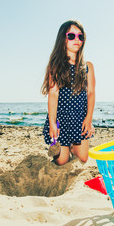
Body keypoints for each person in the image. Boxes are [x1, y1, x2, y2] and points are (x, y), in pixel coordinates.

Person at [41, 20, 96, 166]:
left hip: (80, 118)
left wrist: (89, 119)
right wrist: (53, 123)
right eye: (71, 36)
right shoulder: (56, 65)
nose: (76, 40)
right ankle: (62, 148)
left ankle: (73, 146)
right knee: (61, 161)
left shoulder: (88, 66)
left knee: (83, 158)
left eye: (80, 36)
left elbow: (91, 93)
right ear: (62, 39)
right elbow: (53, 94)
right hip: (61, 119)